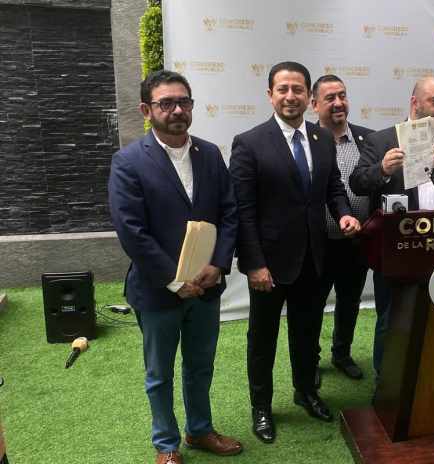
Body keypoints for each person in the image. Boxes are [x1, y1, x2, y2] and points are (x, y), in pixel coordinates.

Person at [108, 70, 241, 464]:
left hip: (207, 287)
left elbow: (229, 213)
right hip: (157, 291)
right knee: (159, 374)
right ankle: (166, 445)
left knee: (200, 367)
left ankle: (199, 431)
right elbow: (132, 232)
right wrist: (175, 280)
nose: (177, 110)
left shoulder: (210, 154)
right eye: (166, 103)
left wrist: (218, 265)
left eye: (184, 102)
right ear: (147, 110)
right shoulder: (128, 161)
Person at [229, 61, 360, 444]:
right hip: (268, 265)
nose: (291, 96)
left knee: (306, 333)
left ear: (308, 96)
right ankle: (262, 407)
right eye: (282, 89)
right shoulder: (249, 142)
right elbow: (244, 210)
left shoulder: (321, 138)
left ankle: (306, 392)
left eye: (298, 89)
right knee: (263, 339)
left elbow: (333, 187)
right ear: (270, 95)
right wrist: (254, 263)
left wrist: (346, 214)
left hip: (313, 260)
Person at [349, 75, 434, 378]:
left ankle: (433, 378)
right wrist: (381, 169)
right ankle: (386, 380)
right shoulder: (381, 140)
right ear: (415, 102)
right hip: (396, 249)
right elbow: (357, 183)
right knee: (391, 318)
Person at [310, 74, 374, 381]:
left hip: (356, 242)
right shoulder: (306, 141)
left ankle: (342, 353)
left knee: (349, 301)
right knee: (312, 304)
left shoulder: (369, 140)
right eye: (330, 98)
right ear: (314, 105)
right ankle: (310, 358)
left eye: (343, 96)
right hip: (317, 244)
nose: (338, 103)